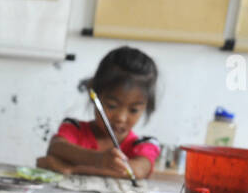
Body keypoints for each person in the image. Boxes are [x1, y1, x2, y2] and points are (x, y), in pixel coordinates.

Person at [38, 46, 160, 178]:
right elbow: (56, 148)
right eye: (112, 106)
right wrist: (99, 160)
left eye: (134, 110)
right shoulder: (74, 128)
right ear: (94, 95)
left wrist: (73, 169)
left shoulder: (144, 144)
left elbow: (137, 171)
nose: (121, 118)